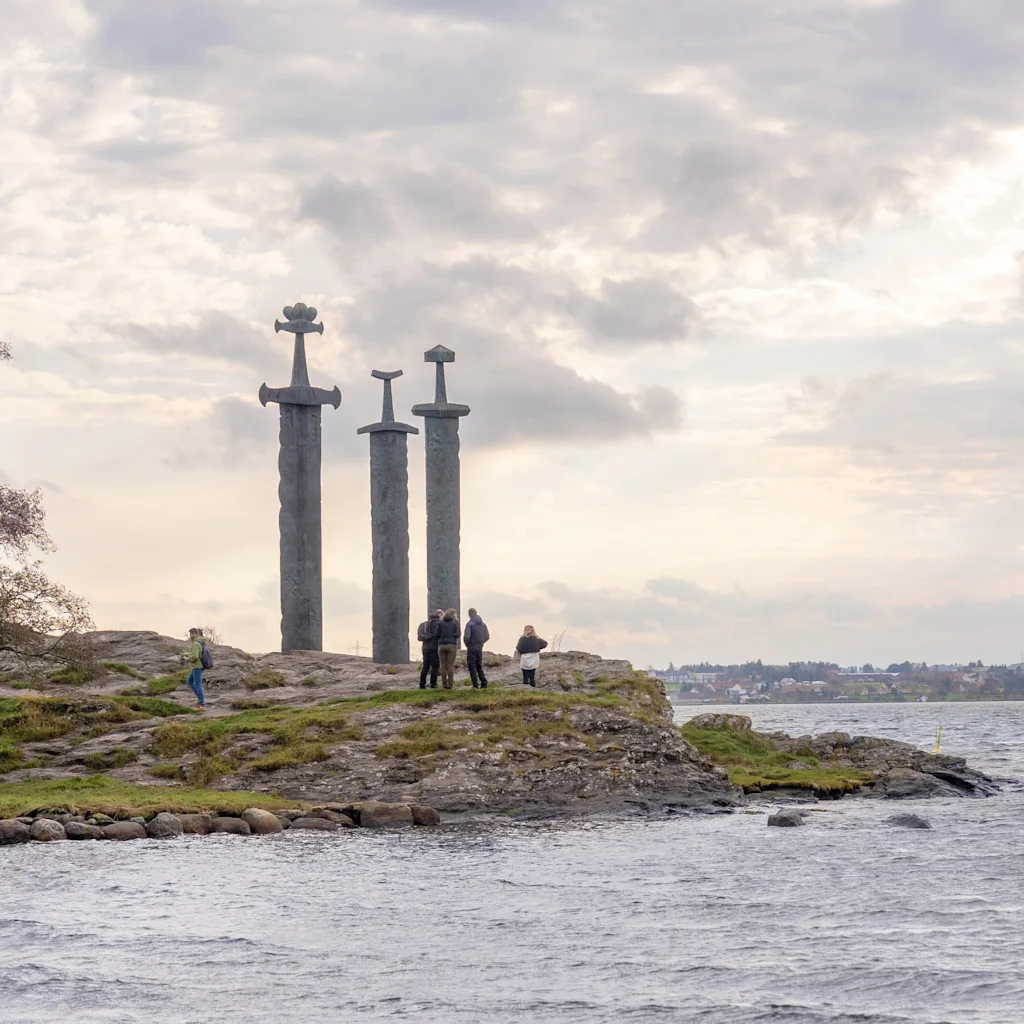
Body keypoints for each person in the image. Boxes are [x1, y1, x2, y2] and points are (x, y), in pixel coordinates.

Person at [463, 607, 490, 688]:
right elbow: (487, 636)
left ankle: (475, 684)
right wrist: (482, 642)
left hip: (472, 645)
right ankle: (484, 683)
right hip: (479, 646)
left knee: (472, 665)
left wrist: (467, 644)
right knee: (479, 665)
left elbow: (467, 636)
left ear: (469, 614)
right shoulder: (483, 624)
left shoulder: (470, 624)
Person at [417, 609, 443, 689]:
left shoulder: (423, 625)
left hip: (425, 648)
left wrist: (427, 637)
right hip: (435, 647)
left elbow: (419, 638)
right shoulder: (440, 624)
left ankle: (422, 684)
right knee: (435, 666)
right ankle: (433, 683)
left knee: (425, 666)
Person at [437, 608, 460, 690]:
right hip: (451, 645)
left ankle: (444, 684)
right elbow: (458, 634)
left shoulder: (440, 622)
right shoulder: (455, 623)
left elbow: (437, 634)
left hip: (441, 645)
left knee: (443, 665)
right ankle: (450, 684)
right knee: (450, 665)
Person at [186, 627, 208, 710]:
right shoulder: (200, 642)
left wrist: (188, 658)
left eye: (191, 634)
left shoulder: (195, 643)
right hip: (199, 665)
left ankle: (202, 704)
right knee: (190, 681)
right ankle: (200, 700)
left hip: (197, 666)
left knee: (198, 684)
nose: (190, 635)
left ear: (195, 634)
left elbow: (195, 656)